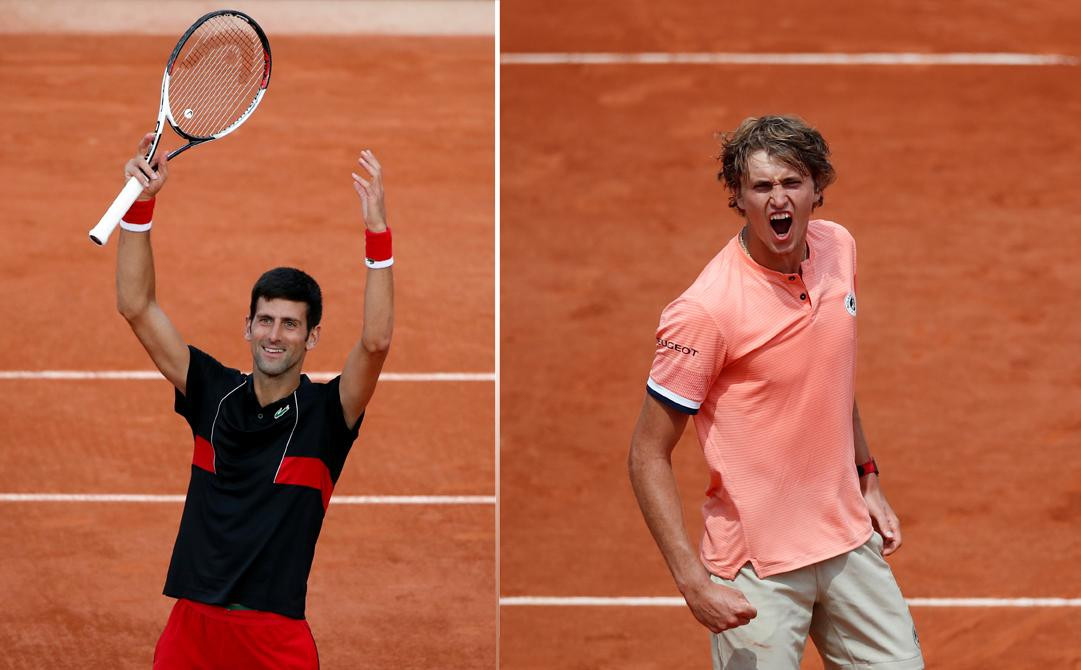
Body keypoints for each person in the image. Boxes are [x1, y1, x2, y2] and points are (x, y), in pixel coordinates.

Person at [628, 116, 923, 669]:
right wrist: (693, 582)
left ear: (817, 189)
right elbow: (647, 453)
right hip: (755, 570)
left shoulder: (838, 248)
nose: (777, 200)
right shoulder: (706, 311)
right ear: (738, 196)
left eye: (791, 183)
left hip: (847, 543)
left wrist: (869, 477)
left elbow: (832, 370)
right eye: (761, 187)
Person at [114, 133, 394, 669]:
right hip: (192, 630)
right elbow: (136, 306)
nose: (275, 334)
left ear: (311, 338)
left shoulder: (328, 416)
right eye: (265, 320)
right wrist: (140, 204)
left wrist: (377, 234)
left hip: (274, 640)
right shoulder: (212, 394)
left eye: (291, 324)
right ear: (247, 326)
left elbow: (375, 343)